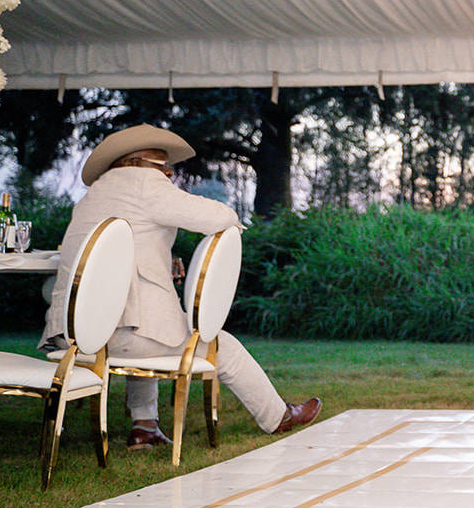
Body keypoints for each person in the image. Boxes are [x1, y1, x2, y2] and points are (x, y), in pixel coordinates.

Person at [43, 125, 321, 449]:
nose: (169, 175)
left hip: (70, 334)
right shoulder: (144, 183)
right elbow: (217, 217)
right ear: (136, 163)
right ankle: (279, 416)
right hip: (116, 336)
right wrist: (231, 217)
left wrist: (160, 259)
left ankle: (144, 427)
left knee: (146, 323)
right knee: (221, 347)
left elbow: (113, 253)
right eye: (163, 166)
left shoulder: (93, 196)